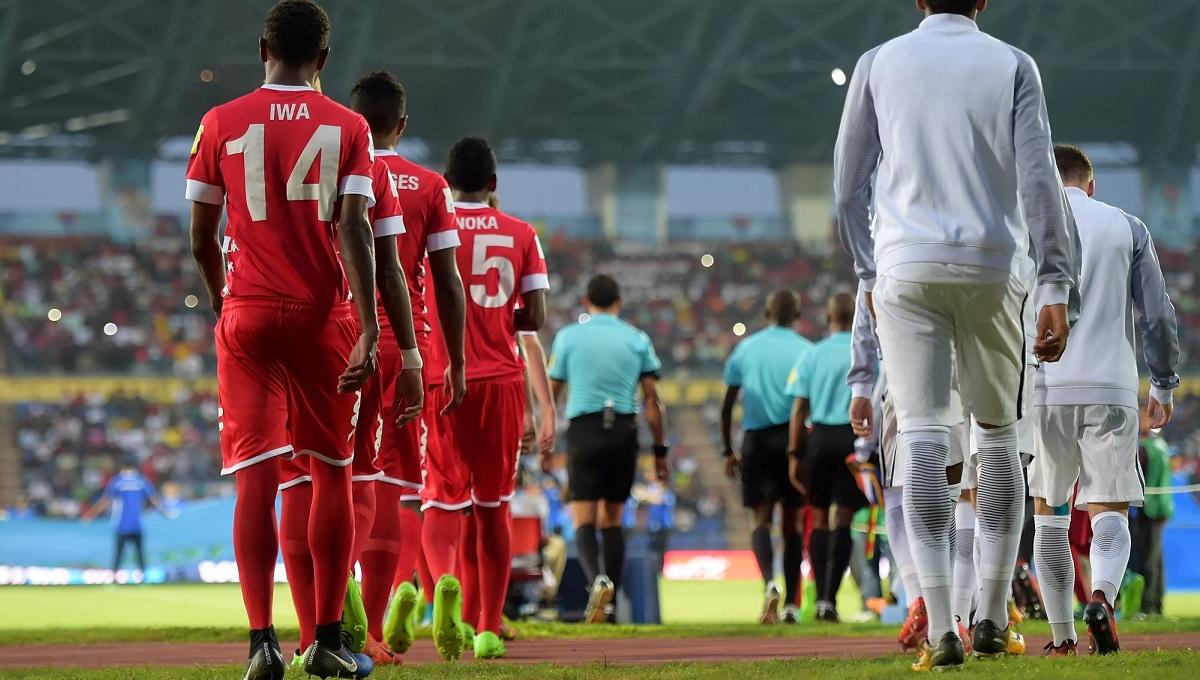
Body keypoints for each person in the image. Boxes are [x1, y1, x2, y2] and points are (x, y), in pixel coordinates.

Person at [834, 0, 1078, 669]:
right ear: (983, 0)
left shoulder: (877, 63)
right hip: (993, 266)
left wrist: (868, 271)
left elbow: (848, 189)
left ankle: (942, 626)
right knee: (997, 435)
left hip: (904, 268)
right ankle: (993, 616)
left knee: (921, 436)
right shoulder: (1013, 64)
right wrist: (1054, 283)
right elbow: (1039, 179)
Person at [186, 1, 383, 676]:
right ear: (323, 59)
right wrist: (371, 325)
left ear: (261, 48)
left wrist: (224, 297)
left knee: (256, 479)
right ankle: (326, 639)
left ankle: (260, 643)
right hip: (321, 315)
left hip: (247, 312)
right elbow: (353, 227)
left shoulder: (219, 121)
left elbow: (201, 235)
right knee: (331, 472)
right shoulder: (350, 126)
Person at [274, 78, 425, 669]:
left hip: (282, 329)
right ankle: (352, 621)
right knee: (365, 477)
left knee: (296, 480)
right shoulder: (408, 181)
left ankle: (307, 632)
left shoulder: (278, 153)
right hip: (361, 333)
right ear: (400, 125)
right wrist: (413, 353)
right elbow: (410, 274)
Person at [1030, 144, 1179, 657]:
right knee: (1108, 510)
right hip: (1111, 386)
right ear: (1090, 185)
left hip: (1045, 387)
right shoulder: (1128, 227)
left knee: (1049, 512)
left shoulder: (1029, 226)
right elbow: (1157, 314)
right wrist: (1162, 384)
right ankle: (1101, 600)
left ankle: (1061, 638)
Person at [344, 69, 467, 667]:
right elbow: (448, 281)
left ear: (353, 119)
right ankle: (368, 628)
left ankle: (326, 620)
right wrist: (455, 362)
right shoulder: (430, 186)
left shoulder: (331, 172)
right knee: (392, 488)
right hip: (400, 346)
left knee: (336, 482)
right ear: (402, 124)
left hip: (338, 340)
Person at [418, 136, 549, 661]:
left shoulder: (429, 227)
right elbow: (535, 316)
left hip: (441, 375)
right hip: (501, 381)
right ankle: (489, 629)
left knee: (440, 499)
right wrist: (498, 319)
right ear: (493, 183)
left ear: (446, 181)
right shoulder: (521, 232)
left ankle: (442, 589)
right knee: (493, 505)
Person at [548, 274, 669, 625]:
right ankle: (611, 601)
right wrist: (660, 451)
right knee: (613, 518)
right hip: (622, 430)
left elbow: (552, 396)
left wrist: (546, 444)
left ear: (586, 301)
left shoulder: (568, 337)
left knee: (583, 517)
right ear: (618, 302)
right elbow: (653, 401)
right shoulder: (637, 338)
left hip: (583, 429)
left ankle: (596, 582)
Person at [719, 291, 812, 624]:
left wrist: (728, 450)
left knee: (760, 519)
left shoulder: (746, 348)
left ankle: (769, 584)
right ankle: (791, 606)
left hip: (755, 441)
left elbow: (727, 405)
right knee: (791, 524)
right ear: (797, 314)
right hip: (793, 440)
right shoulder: (807, 350)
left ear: (766, 312)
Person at [786, 292, 866, 623]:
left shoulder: (811, 355)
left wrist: (794, 454)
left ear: (828, 318)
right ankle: (830, 601)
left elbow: (798, 410)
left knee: (818, 519)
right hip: (852, 440)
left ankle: (819, 597)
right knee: (842, 521)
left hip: (818, 439)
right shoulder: (865, 351)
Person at [82, 460, 175, 581]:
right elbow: (154, 499)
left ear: (123, 468)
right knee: (140, 554)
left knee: (119, 554)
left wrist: (91, 514)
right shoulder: (141, 481)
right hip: (137, 524)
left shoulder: (118, 481)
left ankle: (114, 578)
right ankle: (143, 578)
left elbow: (105, 500)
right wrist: (165, 513)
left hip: (122, 525)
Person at [1132, 406, 1173, 618]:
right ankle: (1157, 603)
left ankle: (1147, 605)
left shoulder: (1146, 448)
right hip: (1162, 506)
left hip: (1148, 508)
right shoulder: (1162, 446)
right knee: (1156, 558)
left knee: (1146, 557)